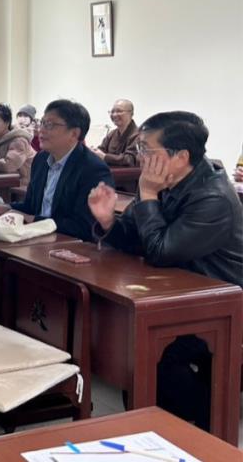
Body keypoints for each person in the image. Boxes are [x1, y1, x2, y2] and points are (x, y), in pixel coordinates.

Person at [88, 112, 243, 430]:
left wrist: (147, 195)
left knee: (151, 355)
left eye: (147, 149)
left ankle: (203, 424)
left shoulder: (213, 198)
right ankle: (157, 427)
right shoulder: (167, 182)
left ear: (181, 156)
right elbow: (139, 238)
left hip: (220, 306)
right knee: (130, 345)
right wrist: (108, 222)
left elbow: (161, 251)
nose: (141, 157)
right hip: (178, 295)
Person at [0, 100, 113, 242]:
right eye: (42, 123)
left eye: (50, 125)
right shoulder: (41, 159)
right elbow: (31, 205)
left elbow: (86, 227)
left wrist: (33, 220)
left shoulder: (93, 170)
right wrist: (8, 208)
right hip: (37, 238)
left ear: (74, 133)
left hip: (70, 245)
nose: (41, 130)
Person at [92, 99, 139, 166]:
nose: (114, 115)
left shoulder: (139, 135)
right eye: (112, 112)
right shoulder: (112, 134)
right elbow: (101, 150)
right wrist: (93, 151)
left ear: (131, 113)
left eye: (119, 111)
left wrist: (105, 157)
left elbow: (129, 159)